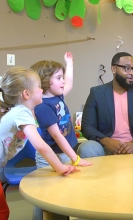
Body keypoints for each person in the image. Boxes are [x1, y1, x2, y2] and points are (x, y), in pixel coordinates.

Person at [0, 67, 78, 220]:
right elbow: (40, 146)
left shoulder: (23, 110)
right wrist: (60, 167)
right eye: (39, 87)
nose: (42, 90)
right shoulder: (21, 112)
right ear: (26, 94)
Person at [31, 52, 92, 220]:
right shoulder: (43, 106)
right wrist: (76, 158)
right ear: (45, 81)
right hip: (51, 156)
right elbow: (57, 136)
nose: (63, 81)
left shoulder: (58, 96)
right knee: (45, 196)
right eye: (59, 77)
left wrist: (69, 64)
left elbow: (70, 82)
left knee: (62, 190)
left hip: (64, 153)